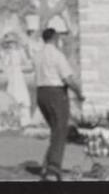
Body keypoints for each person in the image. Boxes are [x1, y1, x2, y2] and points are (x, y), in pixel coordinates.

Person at [34, 28, 84, 181]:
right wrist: (79, 93)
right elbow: (68, 79)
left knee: (56, 131)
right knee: (60, 130)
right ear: (55, 38)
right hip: (55, 93)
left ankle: (46, 165)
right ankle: (53, 168)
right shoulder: (57, 55)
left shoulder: (38, 55)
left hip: (41, 93)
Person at [0, 31, 32, 127]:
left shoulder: (20, 52)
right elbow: (4, 65)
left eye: (12, 42)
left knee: (21, 96)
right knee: (10, 94)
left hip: (18, 76)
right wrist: (7, 55)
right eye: (8, 43)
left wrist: (20, 67)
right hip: (10, 76)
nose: (10, 45)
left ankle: (24, 121)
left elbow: (26, 63)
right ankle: (11, 121)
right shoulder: (4, 53)